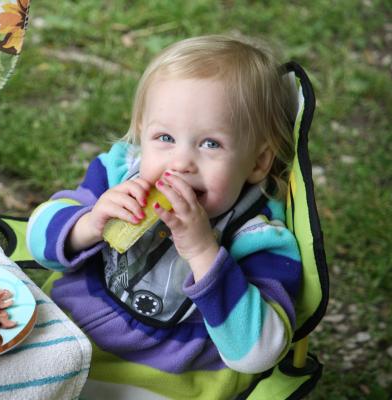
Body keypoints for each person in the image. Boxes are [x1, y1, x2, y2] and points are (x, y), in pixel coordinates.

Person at [26, 34, 302, 399]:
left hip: (167, 379)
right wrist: (88, 224)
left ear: (257, 162)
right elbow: (38, 240)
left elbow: (259, 352)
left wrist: (204, 253)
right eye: (165, 138)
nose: (181, 163)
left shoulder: (259, 236)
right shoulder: (119, 175)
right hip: (65, 338)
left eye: (210, 144)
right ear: (142, 132)